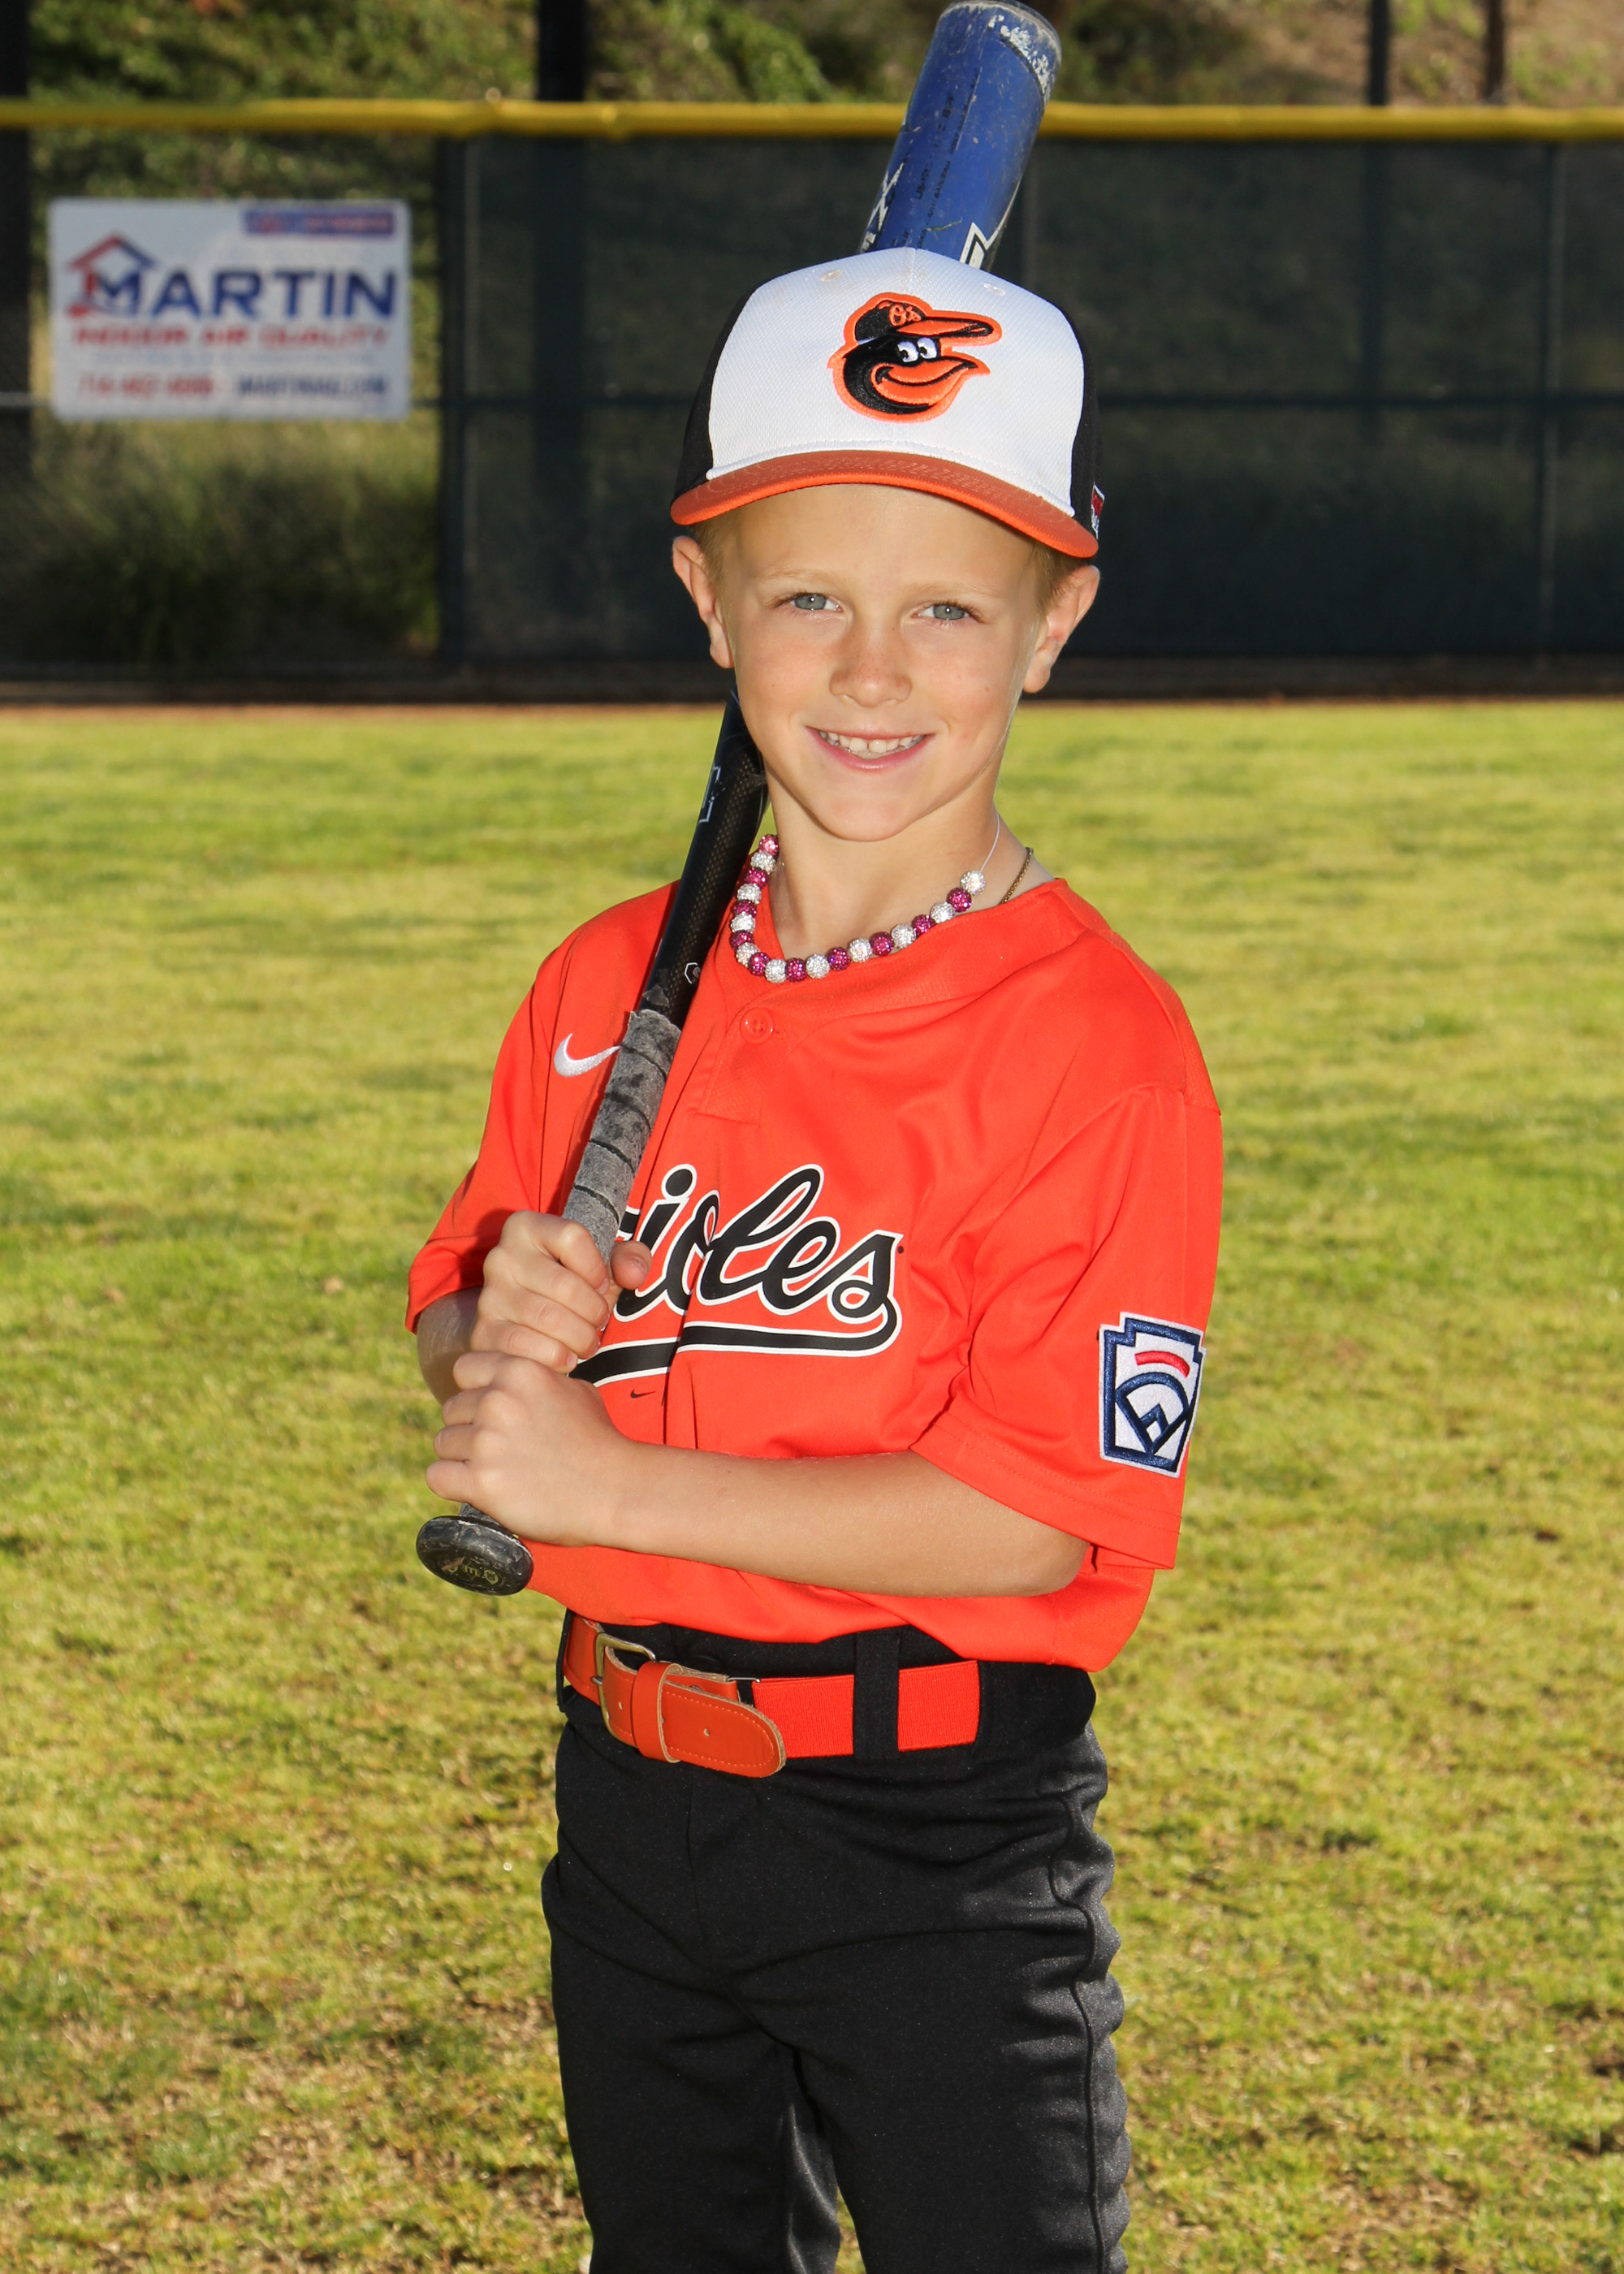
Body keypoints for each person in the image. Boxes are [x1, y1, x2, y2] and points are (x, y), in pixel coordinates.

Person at [407, 245, 1222, 2274]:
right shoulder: (607, 985)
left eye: (947, 605)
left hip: (932, 1838)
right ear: (710, 600)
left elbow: (1033, 1515)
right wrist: (492, 1338)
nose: (870, 671)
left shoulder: (1098, 1049)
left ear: (1052, 624)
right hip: (626, 1803)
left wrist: (601, 1483)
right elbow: (463, 1303)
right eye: (808, 598)